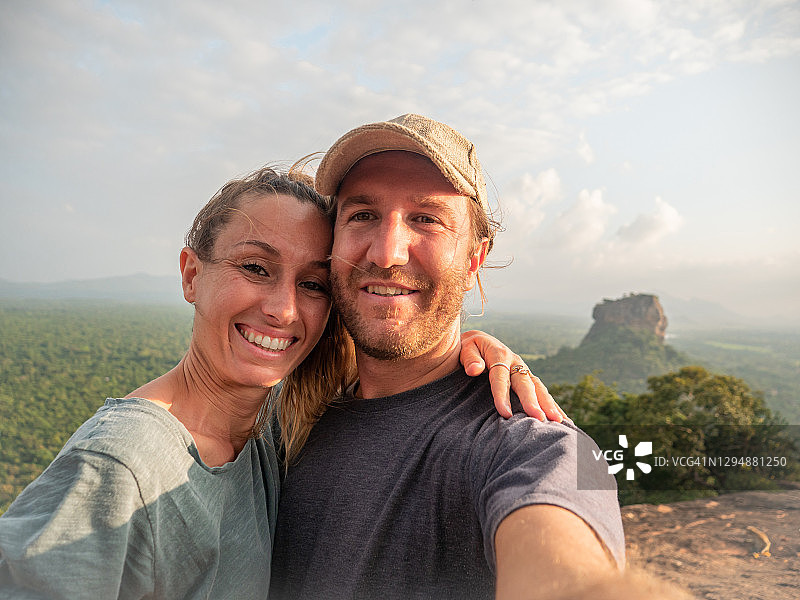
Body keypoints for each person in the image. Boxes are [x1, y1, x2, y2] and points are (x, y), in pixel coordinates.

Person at [0, 166, 560, 599]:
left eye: (314, 283)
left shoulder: (279, 427)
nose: (282, 310)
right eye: (255, 268)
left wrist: (457, 349)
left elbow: (567, 521)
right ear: (192, 274)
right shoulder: (122, 464)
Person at [269, 114, 626, 600]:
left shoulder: (530, 445)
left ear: (474, 257)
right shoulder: (290, 414)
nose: (387, 253)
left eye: (427, 218)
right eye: (362, 215)